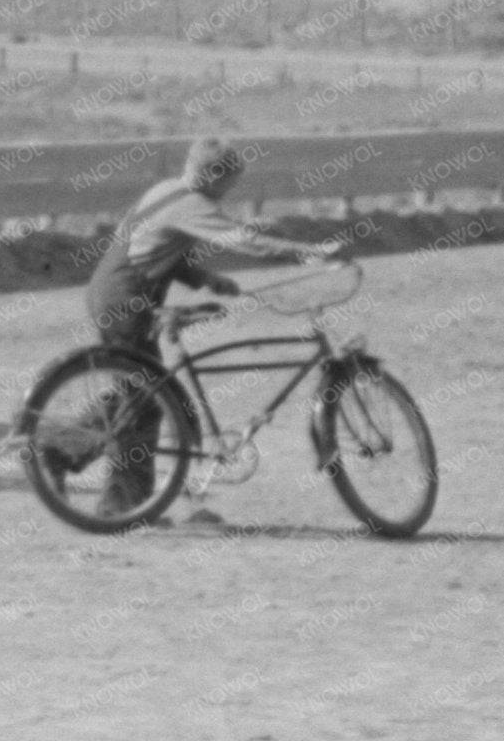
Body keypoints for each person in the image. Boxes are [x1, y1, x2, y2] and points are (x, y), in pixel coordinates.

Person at [78, 137, 342, 511]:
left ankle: (59, 449)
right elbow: (245, 241)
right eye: (229, 183)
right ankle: (117, 505)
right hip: (125, 299)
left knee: (137, 392)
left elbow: (154, 247)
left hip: (112, 291)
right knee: (145, 403)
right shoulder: (192, 204)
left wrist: (205, 279)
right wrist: (302, 251)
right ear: (213, 177)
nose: (229, 192)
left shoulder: (165, 190)